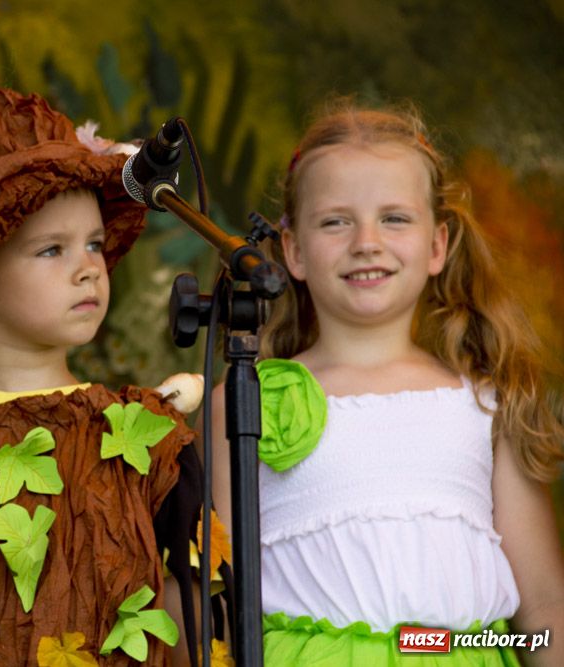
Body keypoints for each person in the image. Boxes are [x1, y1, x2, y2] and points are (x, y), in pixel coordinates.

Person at [207, 101, 564, 665]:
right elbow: (214, 600)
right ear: (293, 250)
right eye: (335, 221)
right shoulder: (245, 399)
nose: (366, 242)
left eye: (394, 218)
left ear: (437, 246)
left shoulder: (484, 403)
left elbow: (545, 612)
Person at [0, 86, 203, 665]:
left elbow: (186, 609)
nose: (89, 269)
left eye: (95, 244)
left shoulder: (149, 431)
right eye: (52, 250)